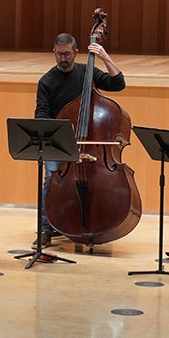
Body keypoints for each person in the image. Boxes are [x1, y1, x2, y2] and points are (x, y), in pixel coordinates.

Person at [34, 32, 125, 245]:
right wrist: (57, 132)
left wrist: (105, 57)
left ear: (75, 52)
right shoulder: (46, 81)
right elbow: (41, 115)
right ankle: (45, 229)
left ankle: (96, 222)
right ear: (53, 53)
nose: (63, 59)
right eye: (59, 55)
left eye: (67, 54)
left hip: (91, 143)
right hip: (60, 144)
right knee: (51, 177)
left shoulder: (87, 72)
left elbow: (118, 83)